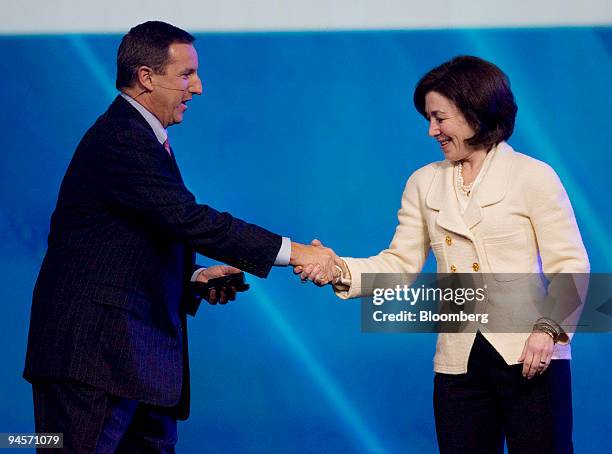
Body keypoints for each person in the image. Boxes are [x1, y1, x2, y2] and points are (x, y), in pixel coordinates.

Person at [24, 21, 335, 453]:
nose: (199, 87)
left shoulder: (142, 138)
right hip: (93, 364)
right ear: (147, 78)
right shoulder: (121, 138)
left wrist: (192, 279)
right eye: (186, 75)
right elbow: (188, 219)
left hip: (137, 365)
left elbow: (129, 242)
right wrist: (294, 251)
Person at [298, 56, 589, 453]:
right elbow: (399, 266)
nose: (431, 130)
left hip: (531, 355)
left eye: (439, 118)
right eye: (429, 119)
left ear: (476, 111)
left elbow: (571, 266)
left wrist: (548, 331)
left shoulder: (533, 176)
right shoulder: (423, 182)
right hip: (459, 362)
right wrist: (338, 269)